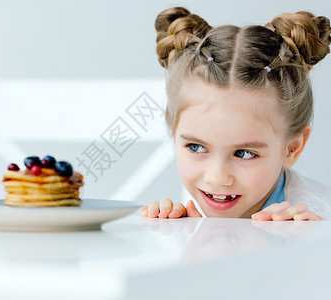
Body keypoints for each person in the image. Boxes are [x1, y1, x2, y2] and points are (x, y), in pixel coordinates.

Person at [140, 7, 331, 221]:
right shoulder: (185, 212)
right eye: (196, 147)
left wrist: (315, 248)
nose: (216, 178)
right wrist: (182, 239)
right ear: (173, 132)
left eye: (244, 153)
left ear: (292, 149)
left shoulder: (320, 223)